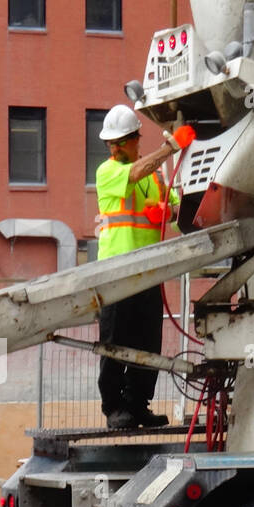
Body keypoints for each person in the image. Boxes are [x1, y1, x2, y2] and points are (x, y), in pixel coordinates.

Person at [93, 104, 182, 430]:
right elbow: (134, 174)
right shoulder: (107, 171)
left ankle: (137, 405)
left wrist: (168, 213)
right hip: (116, 273)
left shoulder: (156, 177)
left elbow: (175, 207)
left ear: (134, 140)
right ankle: (114, 408)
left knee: (148, 343)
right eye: (110, 143)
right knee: (115, 343)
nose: (114, 148)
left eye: (120, 142)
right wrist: (169, 149)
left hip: (148, 273)